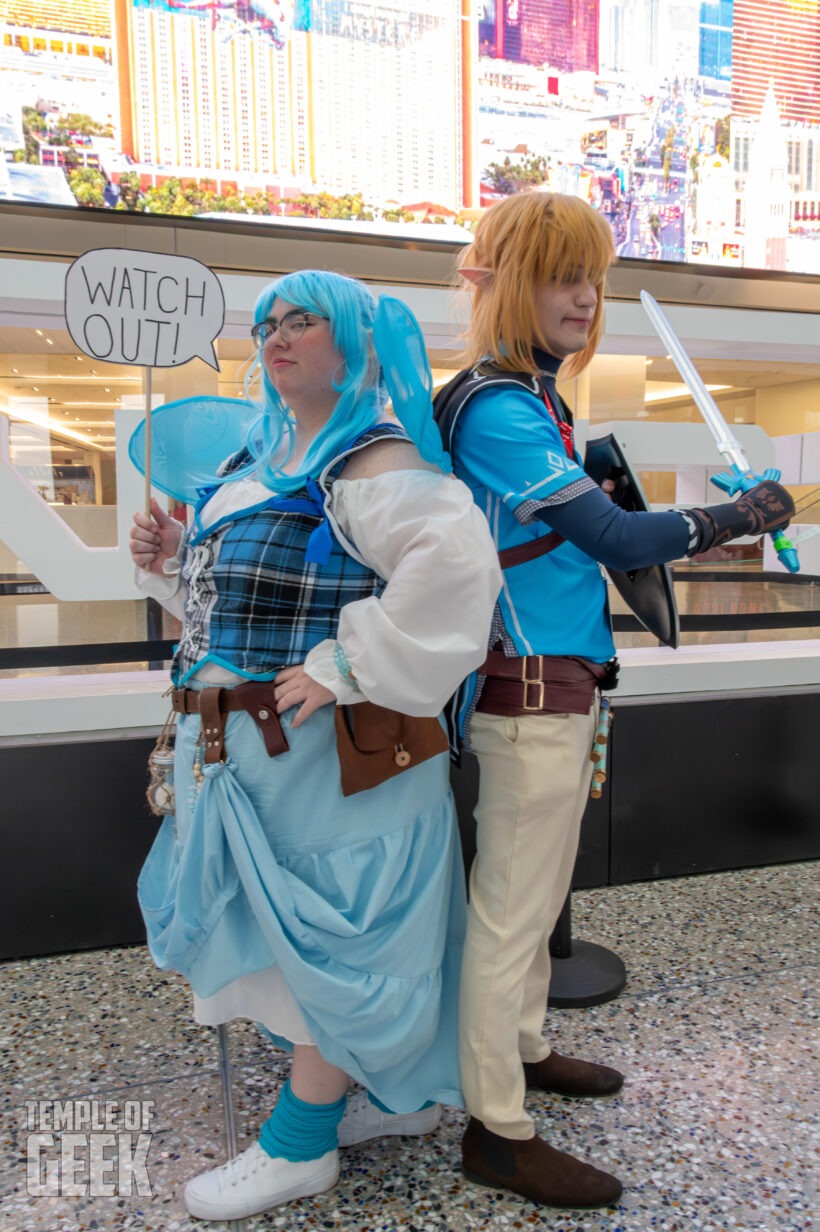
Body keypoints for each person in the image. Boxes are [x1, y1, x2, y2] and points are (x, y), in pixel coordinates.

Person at [434, 191, 795, 1209]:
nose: (583, 295)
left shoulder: (532, 403)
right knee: (510, 912)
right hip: (525, 690)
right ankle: (496, 1126)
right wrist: (741, 511)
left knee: (540, 897)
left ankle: (527, 1046)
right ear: (503, 282)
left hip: (560, 684)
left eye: (589, 273)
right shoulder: (498, 406)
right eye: (557, 273)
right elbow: (617, 541)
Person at [130, 269, 501, 1222]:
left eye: (304, 321)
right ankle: (381, 1096)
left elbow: (456, 571)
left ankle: (300, 1147)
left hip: (328, 769)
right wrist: (175, 562)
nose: (278, 337)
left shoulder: (373, 463)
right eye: (267, 324)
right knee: (285, 941)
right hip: (249, 759)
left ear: (356, 345)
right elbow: (235, 616)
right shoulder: (266, 460)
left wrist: (345, 665)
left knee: (334, 945)